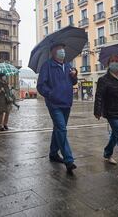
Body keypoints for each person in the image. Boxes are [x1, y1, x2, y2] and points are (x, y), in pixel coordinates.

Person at [37, 43, 78, 174]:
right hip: (54, 104)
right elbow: (41, 85)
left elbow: (73, 82)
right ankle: (69, 160)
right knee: (61, 128)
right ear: (53, 51)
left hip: (67, 102)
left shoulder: (68, 65)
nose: (62, 51)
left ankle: (53, 153)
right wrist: (51, 94)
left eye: (63, 49)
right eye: (59, 49)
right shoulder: (47, 66)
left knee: (58, 129)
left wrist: (74, 76)